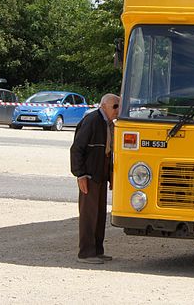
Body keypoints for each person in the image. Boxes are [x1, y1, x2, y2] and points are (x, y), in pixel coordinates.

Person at [70, 93, 120, 264]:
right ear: (104, 105)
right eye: (115, 106)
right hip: (90, 175)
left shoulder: (109, 124)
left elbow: (110, 151)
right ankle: (85, 253)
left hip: (101, 174)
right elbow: (77, 149)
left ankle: (97, 250)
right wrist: (80, 174)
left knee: (99, 215)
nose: (117, 110)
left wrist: (111, 175)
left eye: (118, 106)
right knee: (88, 215)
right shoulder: (92, 120)